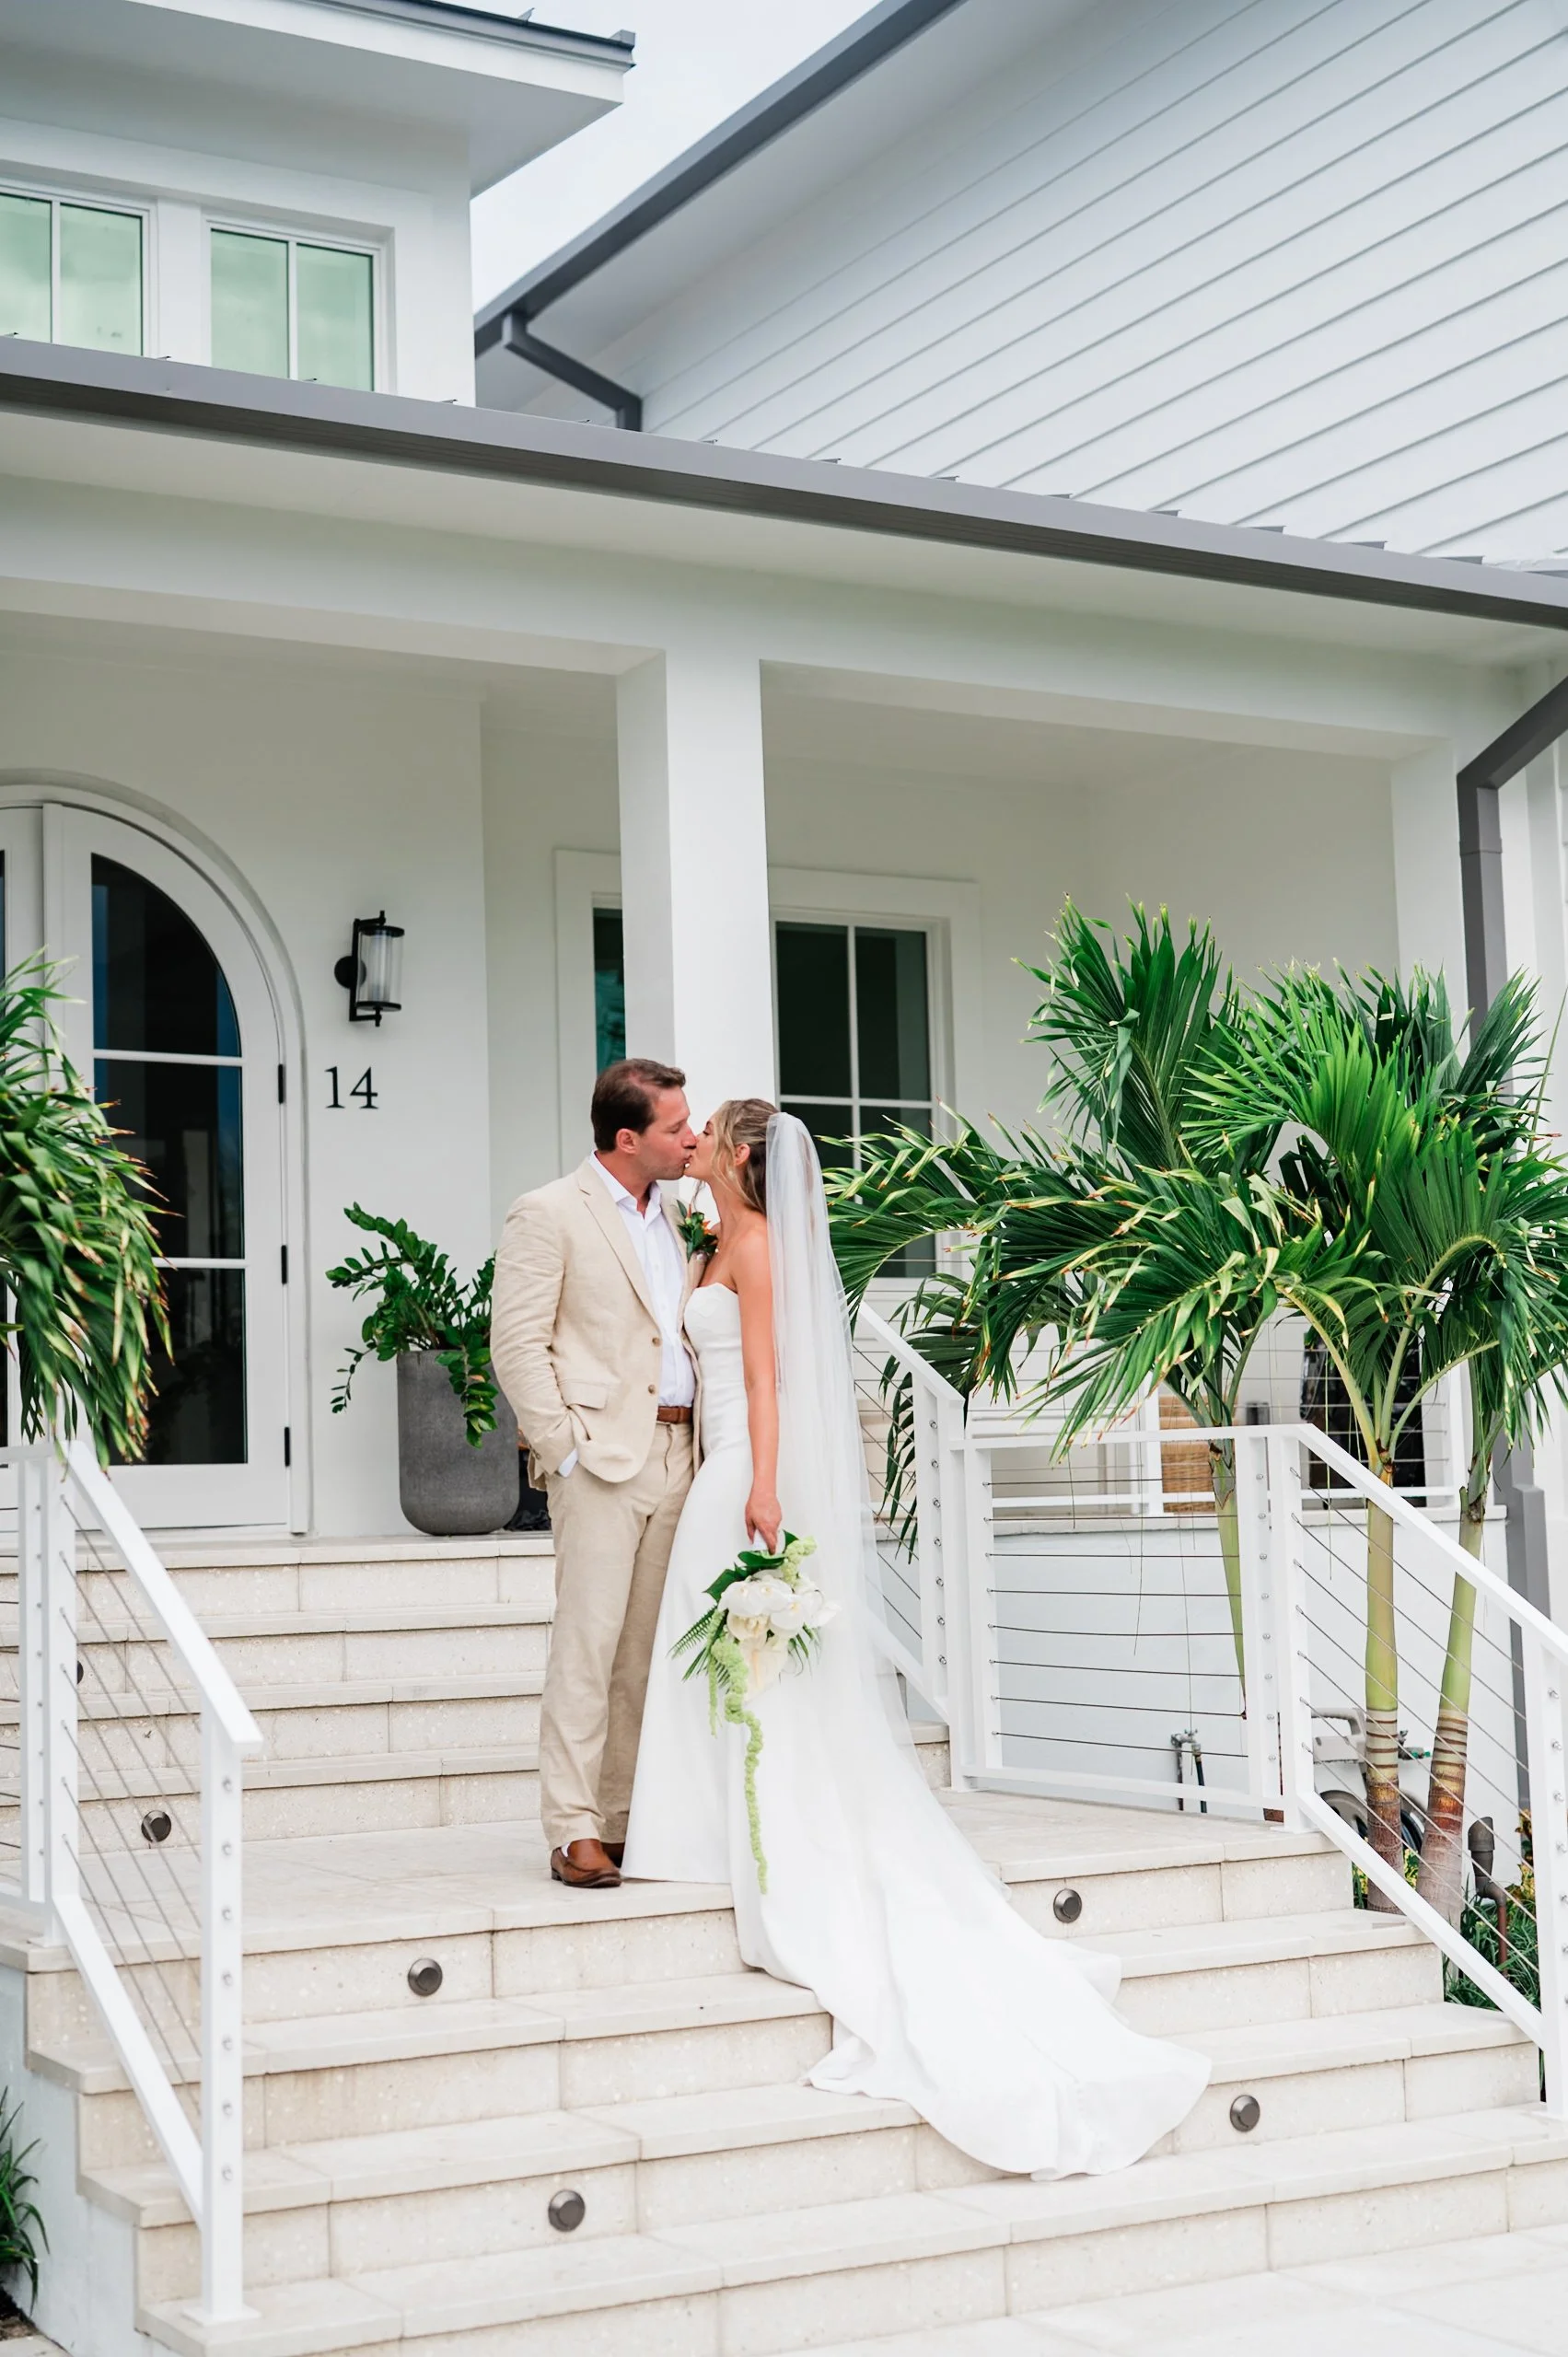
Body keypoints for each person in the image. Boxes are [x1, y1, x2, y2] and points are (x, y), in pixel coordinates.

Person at [624, 1101, 1210, 2178]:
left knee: (749, 1661)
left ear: (743, 1156)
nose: (694, 1138)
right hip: (708, 1464)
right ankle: (708, 1822)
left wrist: (760, 1488)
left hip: (744, 1473)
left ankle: (754, 1830)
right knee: (718, 1660)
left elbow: (766, 1381)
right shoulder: (706, 1238)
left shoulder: (751, 1246)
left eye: (709, 1129)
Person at [491, 1058, 700, 1891]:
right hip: (600, 1459)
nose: (692, 1139)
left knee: (644, 1652)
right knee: (588, 1644)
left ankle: (618, 1820)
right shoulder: (547, 1213)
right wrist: (564, 1448)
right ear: (627, 1138)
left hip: (684, 1456)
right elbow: (516, 1343)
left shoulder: (680, 1217)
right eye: (676, 1127)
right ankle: (571, 1826)